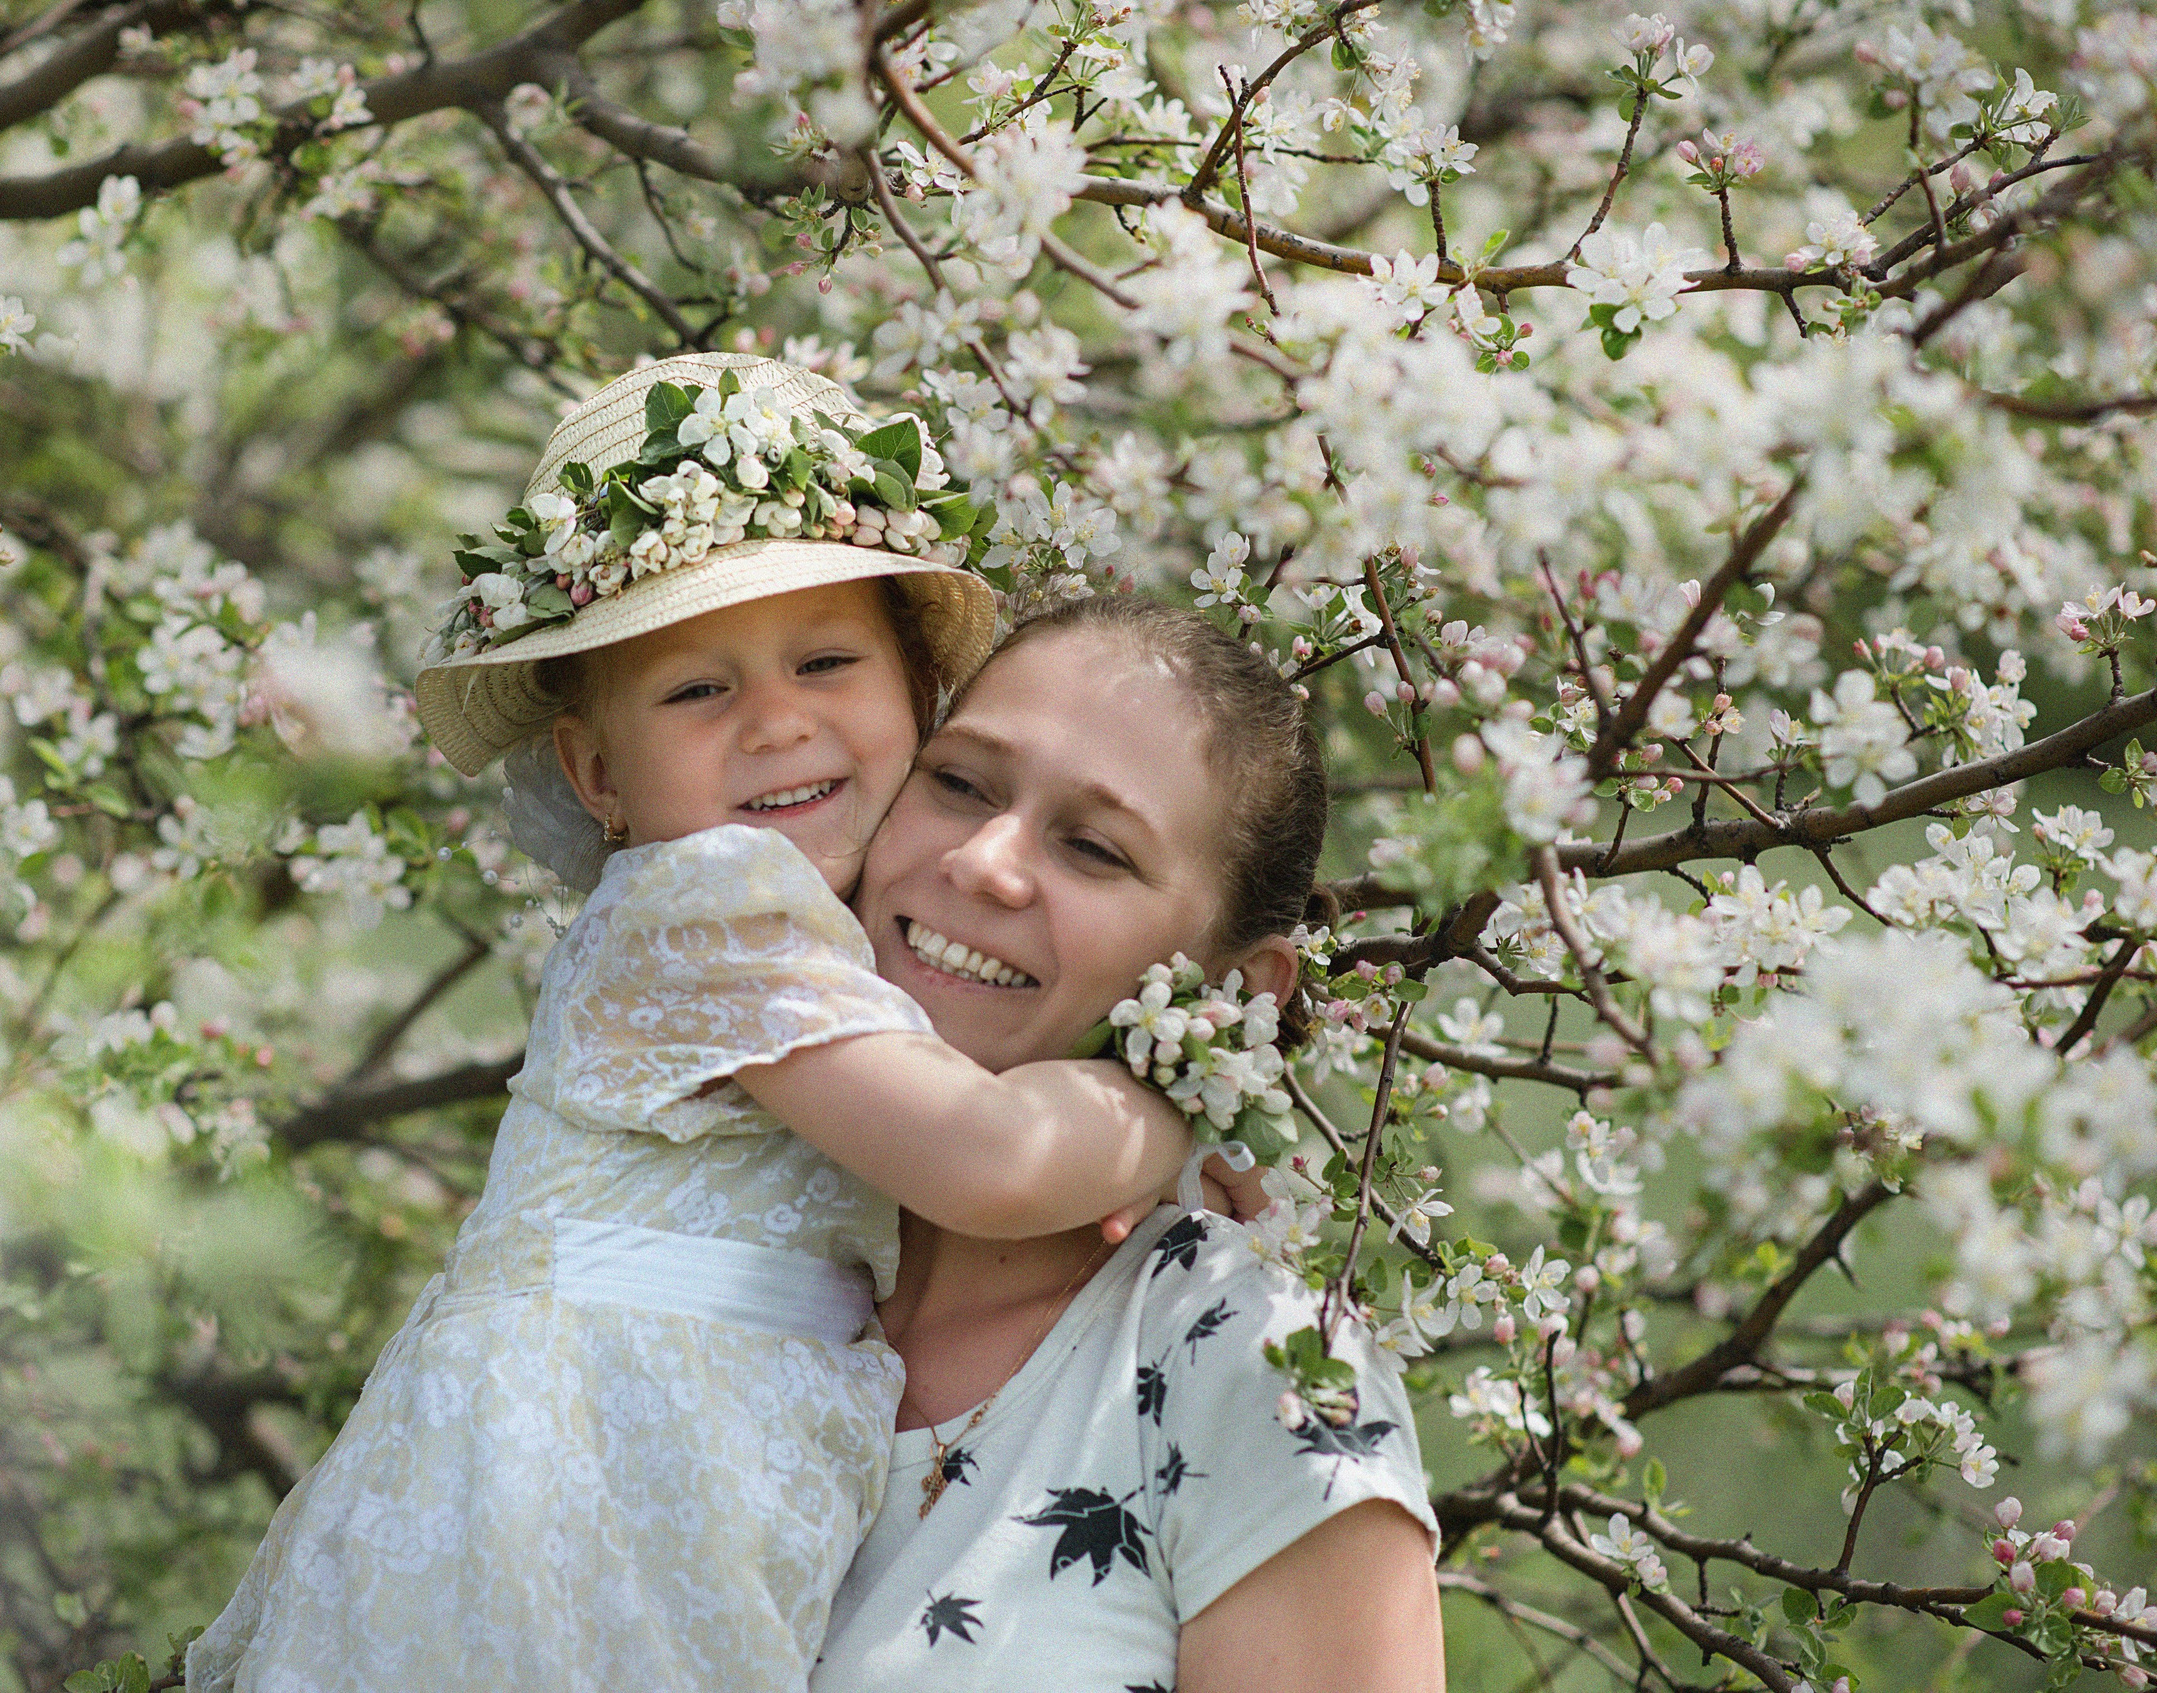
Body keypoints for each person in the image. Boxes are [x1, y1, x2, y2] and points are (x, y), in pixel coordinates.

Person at [184, 356, 1198, 1693]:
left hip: (665, 1479)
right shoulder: (702, 910)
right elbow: (989, 1161)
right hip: (572, 1486)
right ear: (597, 772)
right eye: (695, 691)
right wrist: (1172, 1102)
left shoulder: (812, 945)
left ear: (916, 693)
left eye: (826, 661)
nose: (776, 722)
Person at [813, 595, 1444, 1692]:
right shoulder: (686, 1208)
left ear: (1237, 990)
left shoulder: (1260, 1367)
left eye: (1094, 848)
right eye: (958, 782)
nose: (983, 861)